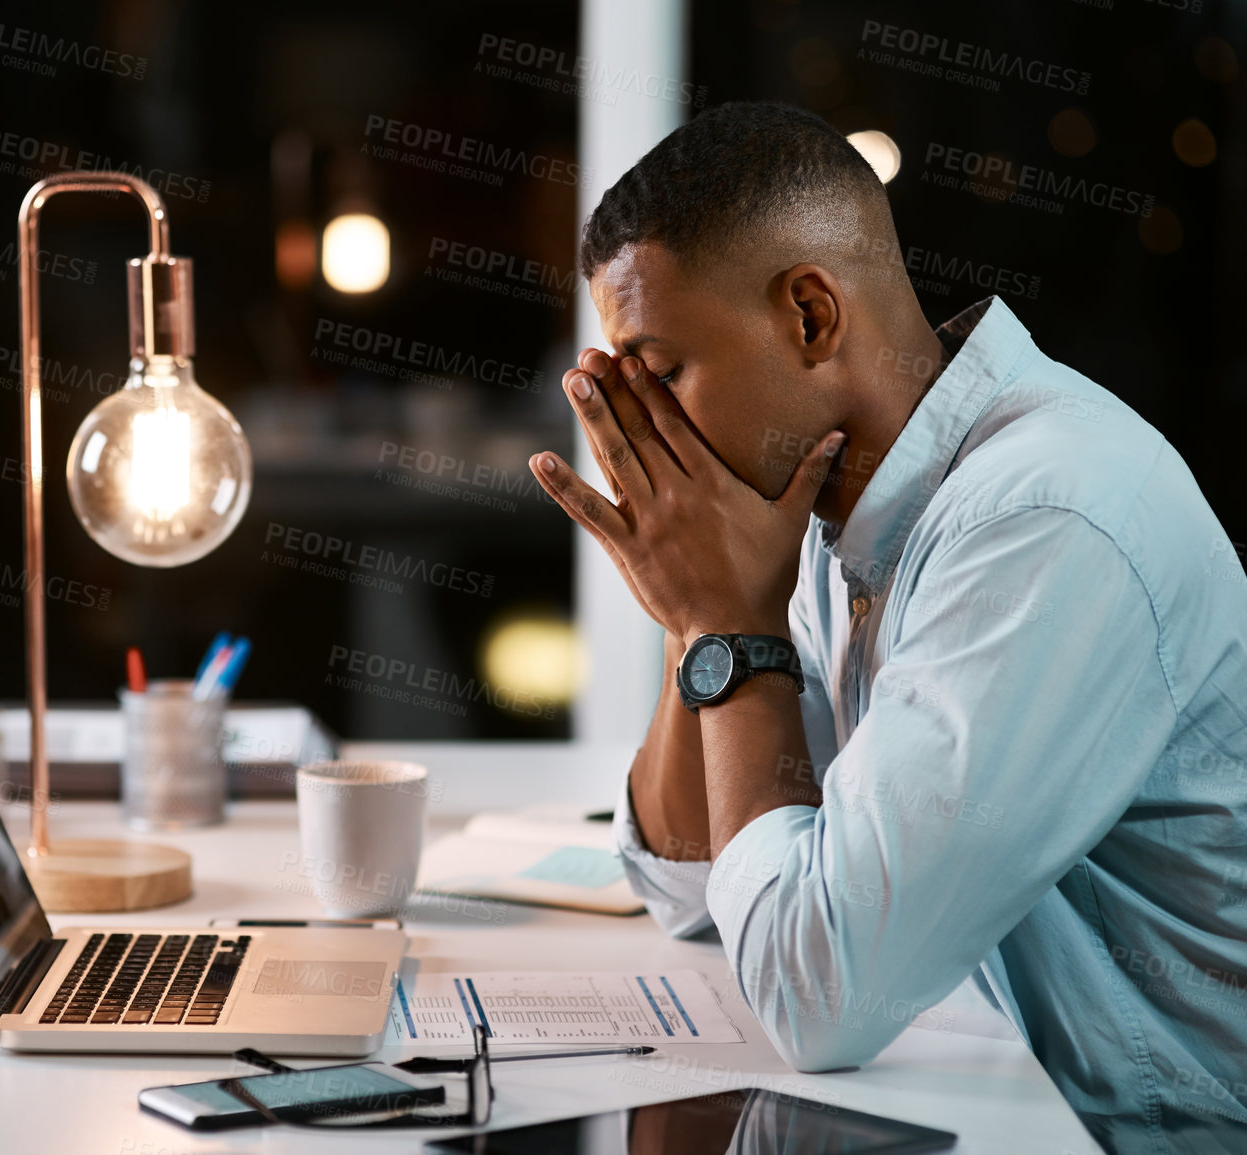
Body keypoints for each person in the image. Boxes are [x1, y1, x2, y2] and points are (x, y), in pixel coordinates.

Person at [529, 102, 1247, 1155]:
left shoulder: (1043, 518)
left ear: (812, 317)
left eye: (663, 372)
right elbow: (690, 886)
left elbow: (817, 997)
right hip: (998, 1106)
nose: (642, 431)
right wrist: (702, 619)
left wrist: (728, 624)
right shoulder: (830, 519)